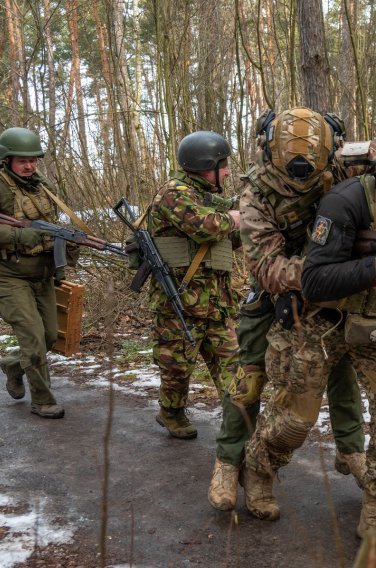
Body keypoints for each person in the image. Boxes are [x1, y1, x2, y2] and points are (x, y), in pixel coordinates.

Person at [243, 118, 376, 559]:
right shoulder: (346, 202)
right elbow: (317, 281)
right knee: (294, 422)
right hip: (319, 320)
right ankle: (258, 468)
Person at [208, 107, 375, 511]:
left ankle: (351, 449)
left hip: (332, 294)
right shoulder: (256, 192)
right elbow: (267, 267)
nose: (301, 182)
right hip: (274, 295)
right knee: (250, 377)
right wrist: (328, 271)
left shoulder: (339, 170)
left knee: (342, 370)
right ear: (269, 152)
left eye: (310, 174)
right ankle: (229, 462)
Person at [0, 127, 69, 419]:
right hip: (9, 275)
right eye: (23, 161)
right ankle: (43, 400)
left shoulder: (41, 186)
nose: (30, 166)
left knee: (47, 338)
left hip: (42, 274)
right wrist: (17, 236)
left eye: (34, 160)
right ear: (7, 159)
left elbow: (53, 228)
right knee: (33, 340)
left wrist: (64, 259)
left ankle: (12, 365)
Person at [147, 131, 241, 440]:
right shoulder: (174, 193)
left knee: (233, 368)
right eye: (223, 165)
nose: (227, 172)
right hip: (180, 304)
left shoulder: (208, 197)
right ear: (205, 165)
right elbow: (206, 227)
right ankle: (170, 411)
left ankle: (239, 423)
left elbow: (229, 239)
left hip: (216, 303)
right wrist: (239, 216)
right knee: (177, 369)